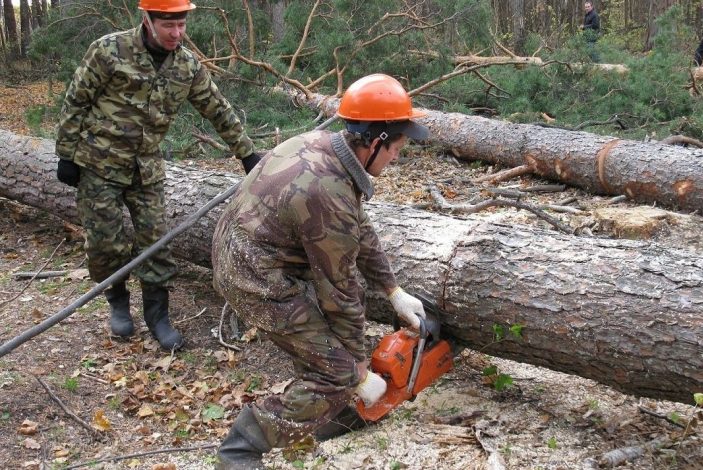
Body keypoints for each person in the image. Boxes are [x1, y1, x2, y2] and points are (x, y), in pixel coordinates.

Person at [210, 73, 429, 469]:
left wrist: (392, 289)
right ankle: (241, 448)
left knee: (328, 351)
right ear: (375, 140)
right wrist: (358, 369)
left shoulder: (326, 148)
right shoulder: (328, 192)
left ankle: (327, 410)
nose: (397, 157)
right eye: (396, 148)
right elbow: (340, 292)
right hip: (254, 277)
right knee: (336, 372)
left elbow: (358, 229)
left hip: (249, 252)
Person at [54, 0, 261, 351]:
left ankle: (157, 316)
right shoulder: (109, 50)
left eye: (181, 25)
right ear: (147, 19)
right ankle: (118, 304)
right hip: (99, 164)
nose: (177, 33)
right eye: (169, 25)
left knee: (157, 242)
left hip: (146, 169)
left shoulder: (186, 65)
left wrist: (247, 153)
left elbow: (217, 108)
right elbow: (76, 100)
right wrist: (66, 154)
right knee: (105, 244)